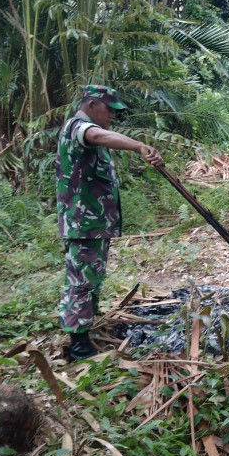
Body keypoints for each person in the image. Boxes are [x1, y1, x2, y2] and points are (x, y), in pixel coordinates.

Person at [56, 85, 163, 362]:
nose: (112, 115)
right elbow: (97, 134)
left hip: (93, 224)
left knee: (91, 278)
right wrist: (139, 145)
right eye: (109, 109)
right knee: (81, 281)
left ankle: (84, 329)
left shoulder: (87, 131)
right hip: (83, 223)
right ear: (91, 104)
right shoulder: (77, 127)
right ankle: (79, 345)